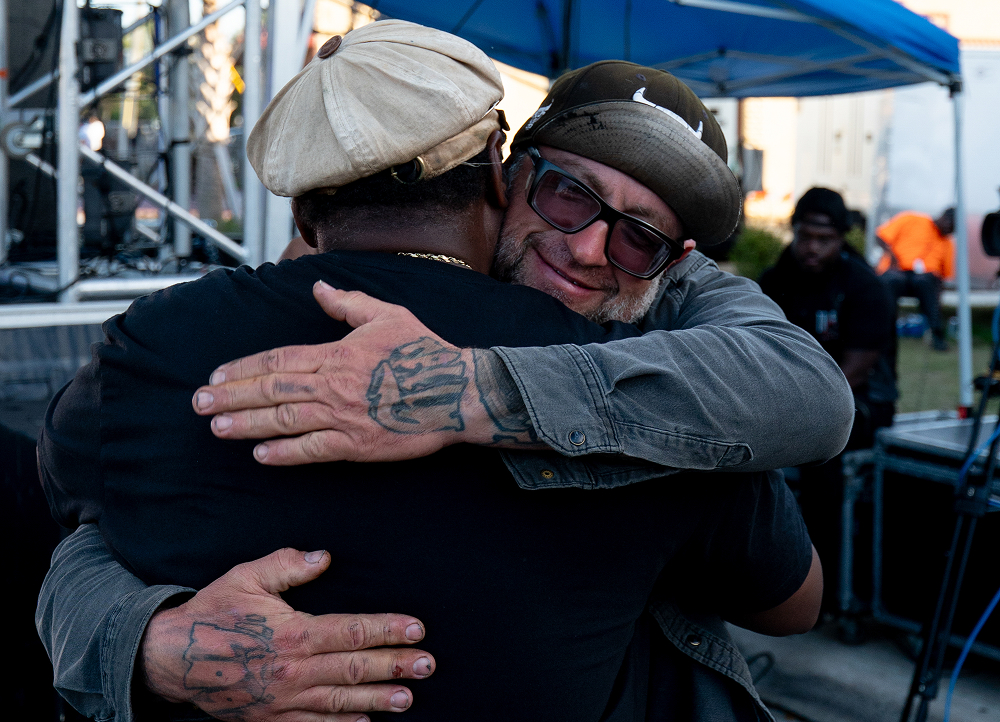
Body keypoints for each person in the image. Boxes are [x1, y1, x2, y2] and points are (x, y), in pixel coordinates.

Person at [38, 27, 836, 722]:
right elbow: (82, 527)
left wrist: (467, 393)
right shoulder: (199, 347)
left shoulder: (676, 395)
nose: (590, 249)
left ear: (678, 267)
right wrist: (148, 643)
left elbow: (809, 415)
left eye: (640, 240)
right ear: (505, 172)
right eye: (567, 196)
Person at [759, 187, 897, 612]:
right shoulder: (776, 278)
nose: (812, 248)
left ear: (842, 239)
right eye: (805, 236)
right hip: (785, 401)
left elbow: (853, 372)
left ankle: (819, 594)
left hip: (857, 404)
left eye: (824, 239)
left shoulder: (865, 287)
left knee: (822, 463)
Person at [876, 207, 955, 351]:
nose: (950, 232)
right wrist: (891, 255)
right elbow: (880, 236)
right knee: (890, 281)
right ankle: (884, 332)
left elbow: (943, 276)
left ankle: (937, 335)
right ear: (945, 219)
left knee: (925, 282)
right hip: (898, 270)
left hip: (924, 278)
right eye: (951, 227)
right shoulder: (912, 219)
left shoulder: (947, 242)